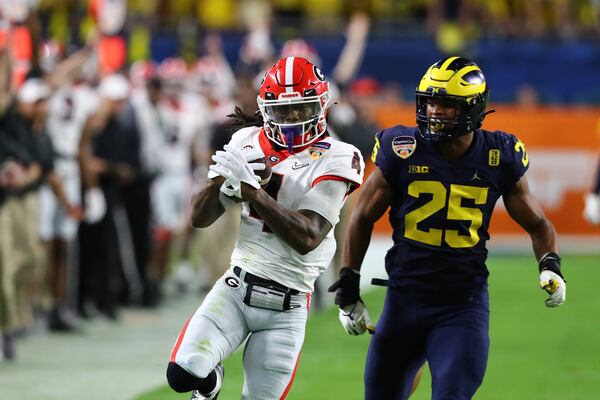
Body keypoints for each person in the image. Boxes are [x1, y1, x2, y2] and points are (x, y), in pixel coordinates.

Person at [329, 56, 566, 400]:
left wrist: (550, 265)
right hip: (403, 300)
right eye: (430, 102)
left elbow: (538, 223)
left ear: (473, 109)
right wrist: (348, 285)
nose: (435, 111)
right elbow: (362, 216)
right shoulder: (402, 149)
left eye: (446, 104)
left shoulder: (497, 155)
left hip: (461, 305)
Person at [166, 56, 364, 399]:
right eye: (281, 111)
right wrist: (219, 184)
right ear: (265, 108)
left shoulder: (340, 156)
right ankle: (210, 382)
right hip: (236, 286)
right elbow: (200, 218)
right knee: (181, 375)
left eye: (300, 110)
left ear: (320, 106)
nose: (290, 120)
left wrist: (252, 191)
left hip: (287, 307)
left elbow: (308, 237)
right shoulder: (246, 140)